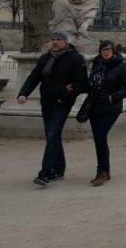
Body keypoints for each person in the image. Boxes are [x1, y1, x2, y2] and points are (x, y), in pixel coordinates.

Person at [16, 30, 88, 187]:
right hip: (46, 102)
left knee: (52, 135)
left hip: (62, 103)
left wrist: (65, 97)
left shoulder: (75, 58)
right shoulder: (45, 58)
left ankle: (45, 173)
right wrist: (23, 94)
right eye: (53, 39)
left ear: (66, 42)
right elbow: (34, 77)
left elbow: (81, 83)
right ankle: (59, 170)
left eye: (58, 39)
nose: (55, 42)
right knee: (53, 136)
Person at [86, 40, 126, 186]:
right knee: (98, 138)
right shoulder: (96, 65)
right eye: (102, 50)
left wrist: (114, 96)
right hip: (95, 106)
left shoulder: (122, 67)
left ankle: (101, 172)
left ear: (113, 50)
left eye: (108, 49)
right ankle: (105, 171)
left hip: (111, 107)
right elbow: (90, 84)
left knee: (100, 136)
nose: (105, 52)